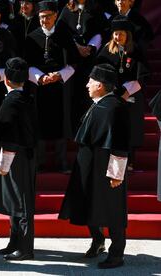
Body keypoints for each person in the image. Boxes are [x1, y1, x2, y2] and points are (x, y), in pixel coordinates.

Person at [59, 63, 130, 269]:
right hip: (89, 167)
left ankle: (117, 253)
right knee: (88, 204)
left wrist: (117, 174)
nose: (87, 85)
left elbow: (119, 143)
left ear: (100, 85)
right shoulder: (99, 103)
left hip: (106, 170)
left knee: (113, 209)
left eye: (91, 81)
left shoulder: (115, 107)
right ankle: (98, 241)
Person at [25, 0, 79, 173]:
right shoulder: (32, 37)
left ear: (55, 16)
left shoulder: (65, 36)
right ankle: (40, 161)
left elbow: (74, 63)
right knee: (39, 122)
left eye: (48, 17)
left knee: (60, 122)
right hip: (39, 86)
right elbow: (26, 63)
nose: (44, 20)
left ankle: (61, 161)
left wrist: (59, 75)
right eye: (41, 17)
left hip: (60, 86)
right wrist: (40, 77)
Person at [0, 57, 38, 261]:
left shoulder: (12, 101)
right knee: (15, 201)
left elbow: (6, 134)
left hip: (15, 156)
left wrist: (3, 163)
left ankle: (26, 247)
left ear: (6, 79)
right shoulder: (27, 97)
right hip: (24, 154)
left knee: (21, 202)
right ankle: (15, 241)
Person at [95, 15, 150, 171]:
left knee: (129, 129)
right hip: (111, 96)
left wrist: (127, 91)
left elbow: (143, 75)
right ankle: (110, 162)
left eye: (121, 34)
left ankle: (129, 161)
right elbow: (99, 73)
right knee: (112, 130)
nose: (118, 37)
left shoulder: (135, 50)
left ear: (128, 35)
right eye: (116, 34)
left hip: (130, 95)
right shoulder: (106, 50)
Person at [58, 0, 108, 132]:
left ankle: (88, 129)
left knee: (87, 95)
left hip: (90, 59)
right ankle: (73, 129)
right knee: (72, 96)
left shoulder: (95, 8)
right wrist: (76, 46)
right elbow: (61, 31)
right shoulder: (67, 9)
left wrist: (90, 47)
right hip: (72, 59)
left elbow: (102, 31)